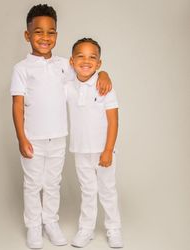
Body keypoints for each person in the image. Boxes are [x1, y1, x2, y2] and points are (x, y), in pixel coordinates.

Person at [10, 4, 112, 249]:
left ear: (56, 35)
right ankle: (34, 226)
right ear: (27, 35)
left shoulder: (62, 65)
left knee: (52, 182)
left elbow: (85, 75)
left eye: (51, 32)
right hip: (32, 137)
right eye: (38, 32)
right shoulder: (21, 69)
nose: (45, 37)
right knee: (33, 183)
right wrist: (21, 138)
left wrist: (105, 73)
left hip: (58, 136)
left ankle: (51, 222)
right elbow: (17, 105)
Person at [65, 38, 123, 248]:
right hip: (80, 150)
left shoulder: (104, 86)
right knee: (88, 192)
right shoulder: (68, 87)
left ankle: (113, 229)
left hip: (103, 151)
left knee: (108, 191)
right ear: (72, 61)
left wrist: (108, 150)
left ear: (99, 63)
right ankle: (86, 229)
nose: (86, 61)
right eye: (80, 56)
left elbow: (113, 120)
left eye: (92, 57)